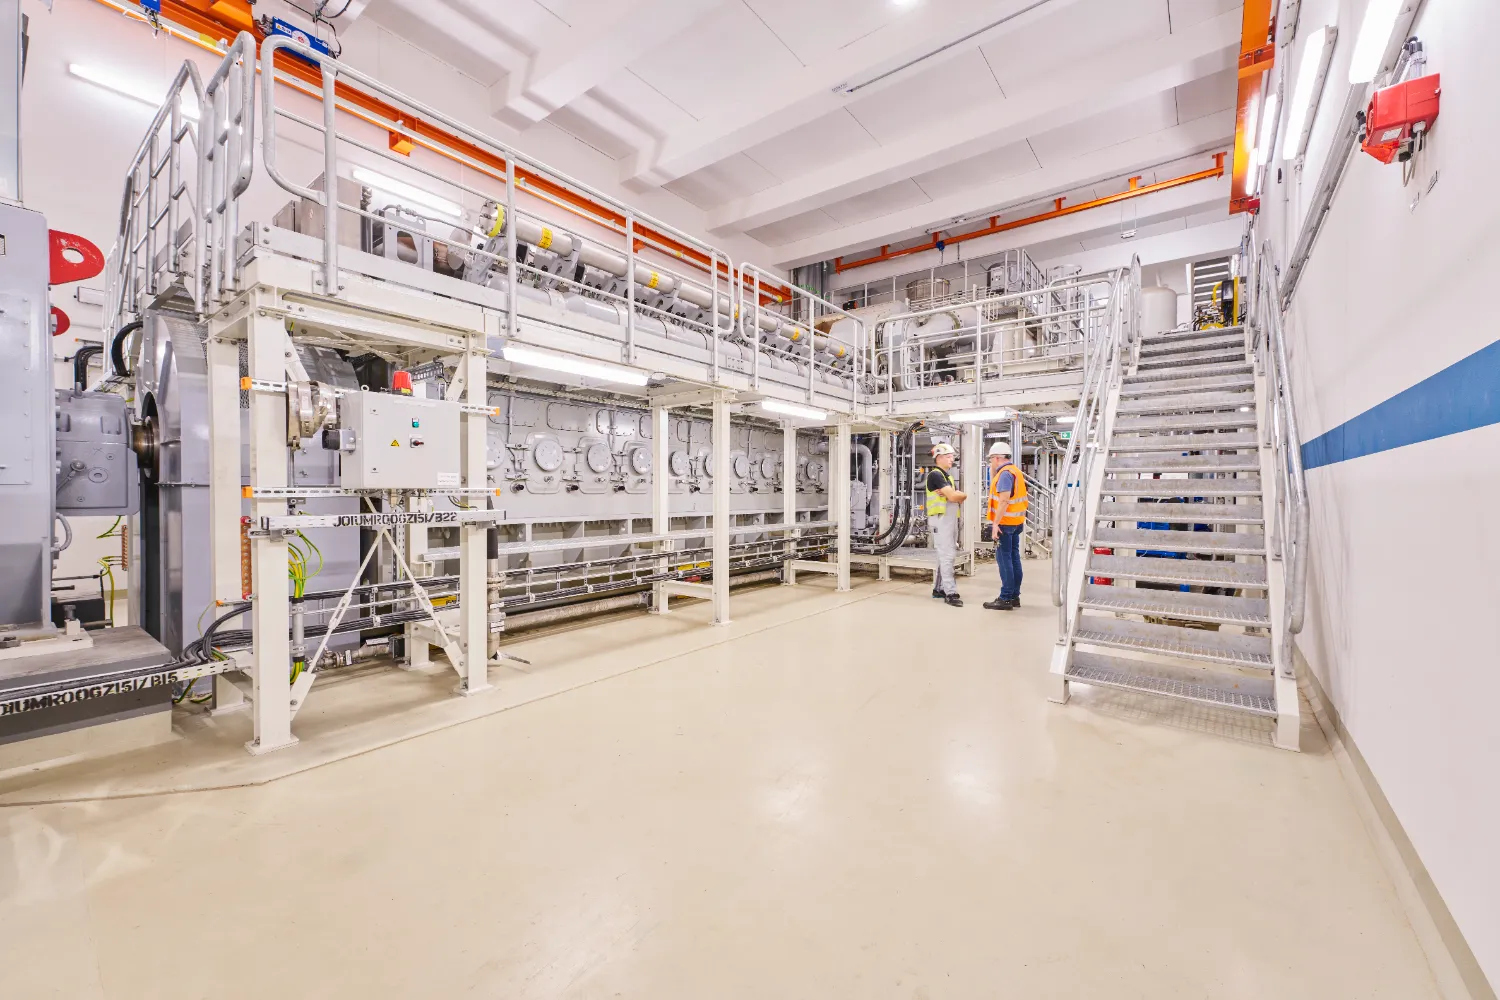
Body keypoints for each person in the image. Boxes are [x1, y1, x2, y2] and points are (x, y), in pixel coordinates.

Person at [982, 442, 1028, 610]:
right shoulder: (1014, 471)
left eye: (992, 459)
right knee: (1014, 558)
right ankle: (1014, 596)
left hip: (1005, 524)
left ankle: (1005, 597)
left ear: (998, 458)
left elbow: (1004, 500)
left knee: (1004, 560)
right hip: (1016, 523)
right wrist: (992, 469)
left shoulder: (1005, 475)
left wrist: (995, 524)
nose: (991, 462)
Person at [925, 442, 967, 607]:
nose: (952, 460)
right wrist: (958, 495)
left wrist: (960, 494)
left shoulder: (947, 477)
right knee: (947, 555)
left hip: (948, 520)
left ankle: (938, 588)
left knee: (944, 555)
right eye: (949, 457)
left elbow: (958, 496)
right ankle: (951, 592)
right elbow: (953, 497)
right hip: (941, 520)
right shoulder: (936, 475)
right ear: (940, 457)